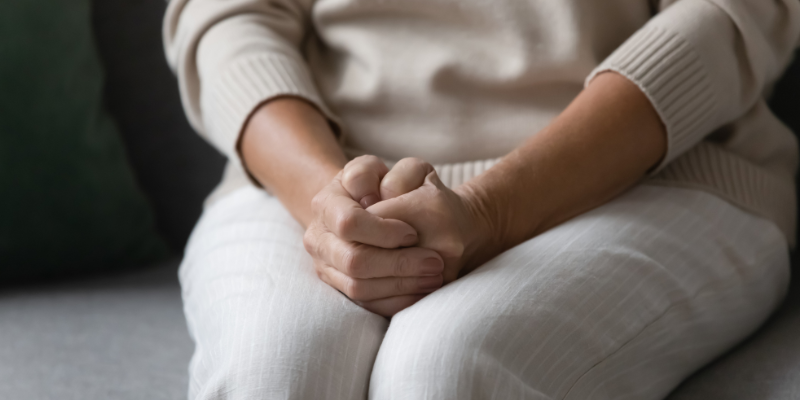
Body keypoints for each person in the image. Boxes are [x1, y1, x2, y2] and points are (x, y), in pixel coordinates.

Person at [164, 0, 799, 398]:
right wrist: (329, 207)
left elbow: (725, 16)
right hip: (304, 169)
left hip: (649, 172)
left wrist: (491, 211)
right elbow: (227, 15)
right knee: (273, 374)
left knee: (448, 367)